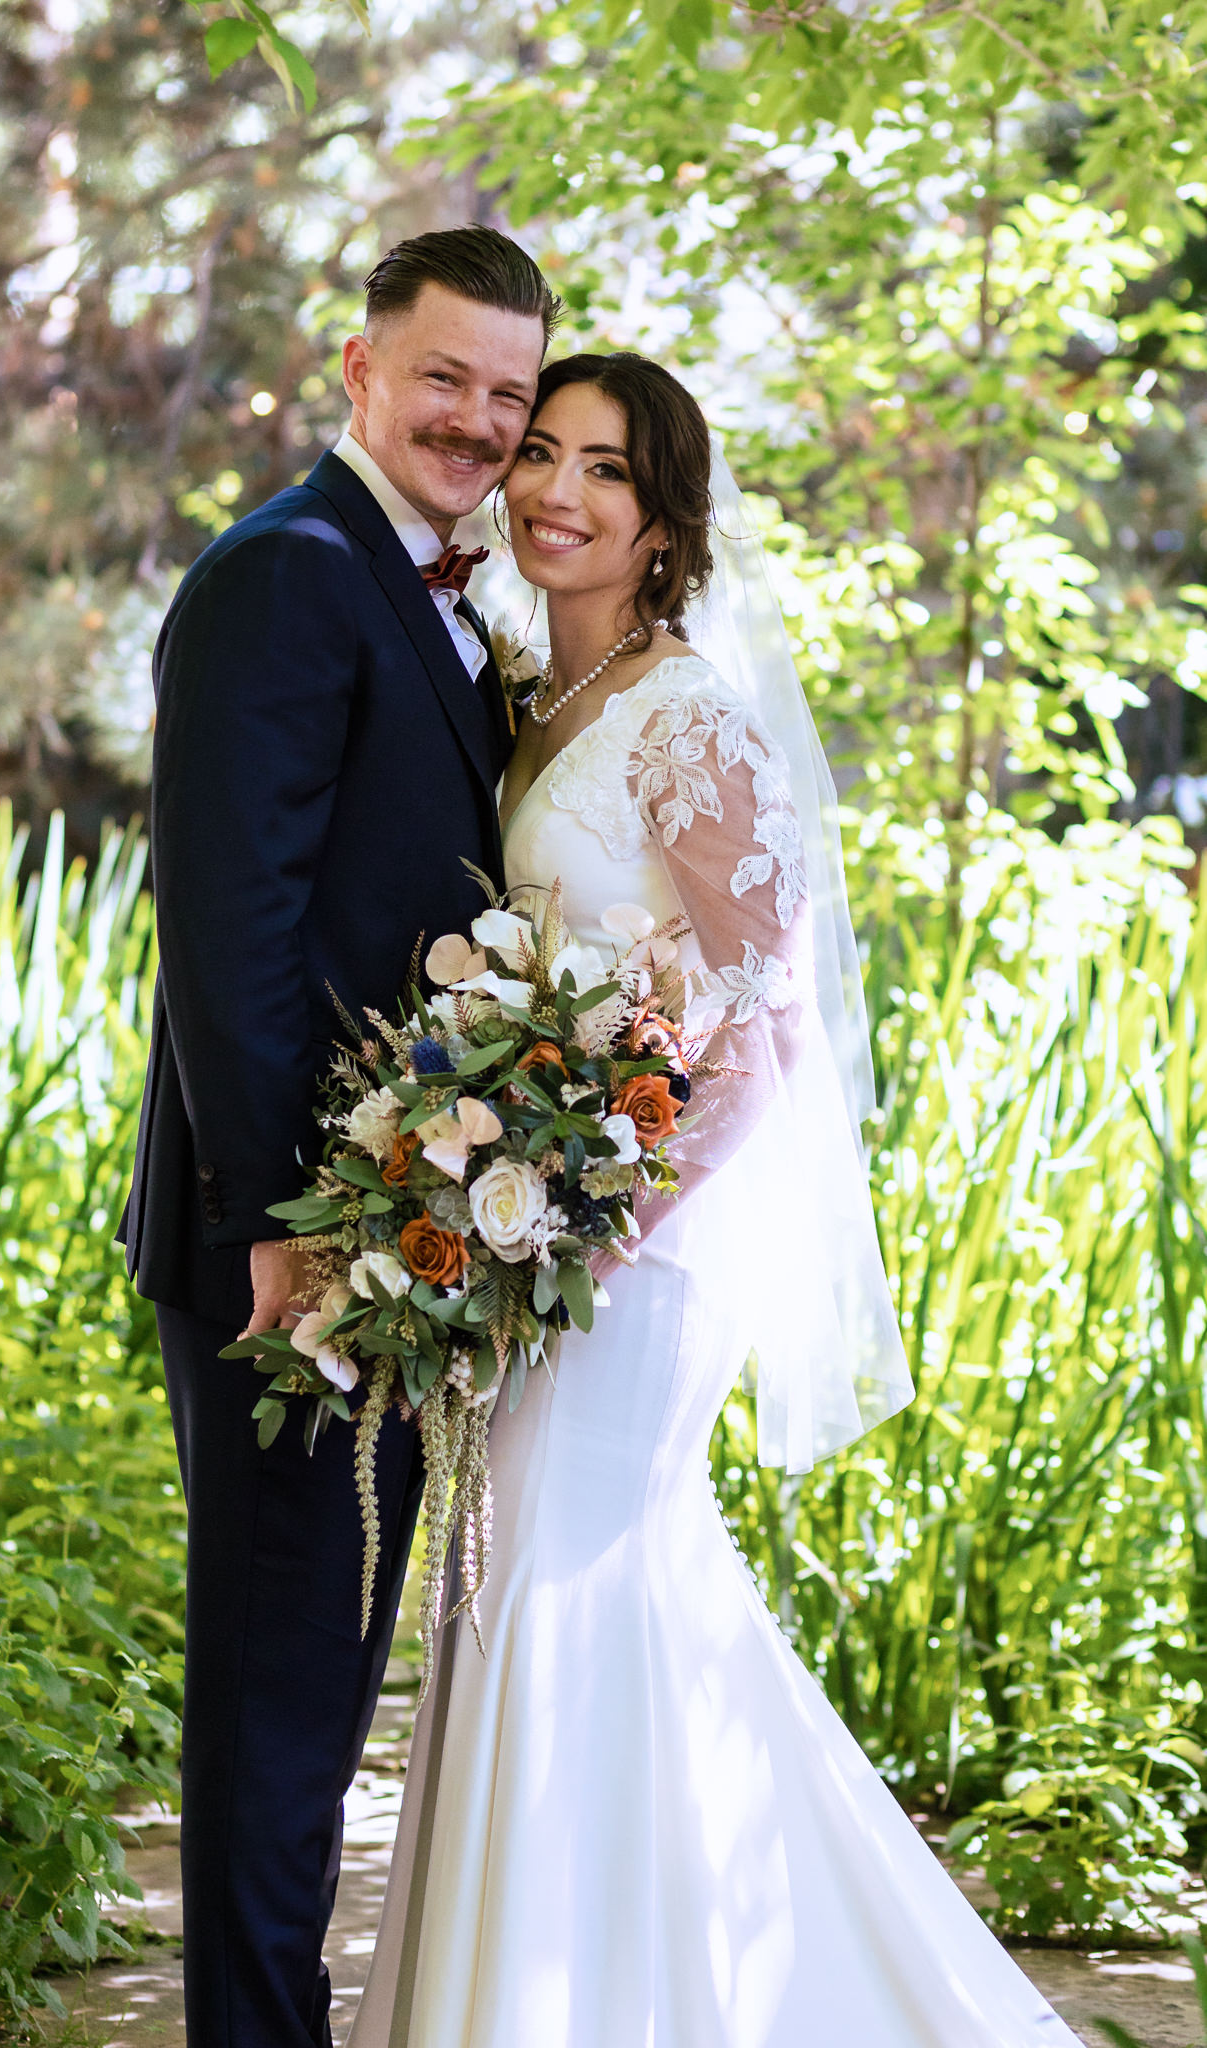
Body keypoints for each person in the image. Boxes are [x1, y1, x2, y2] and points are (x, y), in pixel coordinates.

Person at [347, 354, 1082, 2046]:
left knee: (551, 1593)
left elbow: (764, 1037)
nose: (554, 491)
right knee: (527, 1598)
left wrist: (565, 1232)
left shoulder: (689, 719)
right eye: (539, 452)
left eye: (605, 470)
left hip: (635, 1256)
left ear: (665, 521)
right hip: (543, 1231)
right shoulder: (546, 695)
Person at [117, 225, 560, 2048]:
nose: (473, 419)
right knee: (279, 1694)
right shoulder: (287, 576)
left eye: (507, 394)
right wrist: (273, 1223)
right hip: (291, 1245)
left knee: (321, 1684)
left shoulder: (437, 590)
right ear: (358, 368)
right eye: (443, 376)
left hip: (393, 1240)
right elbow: (230, 929)